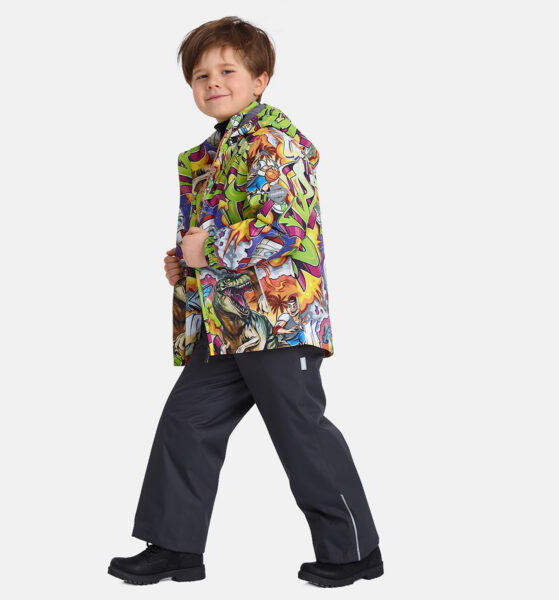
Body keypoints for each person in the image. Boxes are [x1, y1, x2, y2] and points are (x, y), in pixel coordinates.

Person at [108, 16, 383, 588]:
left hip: (279, 320)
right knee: (186, 422)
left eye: (227, 70)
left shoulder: (273, 141)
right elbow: (216, 238)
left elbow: (286, 228)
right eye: (200, 75)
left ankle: (354, 552)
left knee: (300, 431)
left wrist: (207, 250)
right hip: (226, 323)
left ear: (260, 80)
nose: (212, 82)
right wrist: (188, 267)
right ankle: (175, 547)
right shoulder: (210, 154)